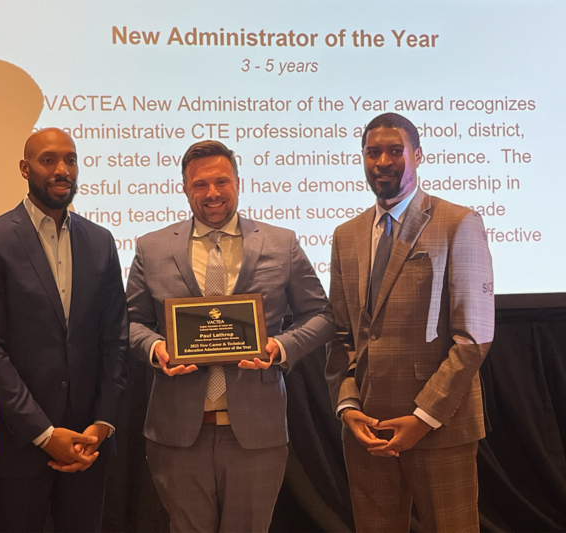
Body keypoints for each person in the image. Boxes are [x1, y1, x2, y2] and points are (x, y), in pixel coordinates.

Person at [126, 140, 334, 533]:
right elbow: (129, 322)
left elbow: (321, 315)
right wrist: (155, 349)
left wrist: (280, 347)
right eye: (200, 185)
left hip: (256, 429)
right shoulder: (151, 247)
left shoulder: (281, 242)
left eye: (222, 181)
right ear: (185, 189)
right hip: (178, 431)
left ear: (238, 182)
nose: (213, 194)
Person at [326, 112, 494, 532]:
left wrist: (423, 417)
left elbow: (473, 337)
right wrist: (348, 405)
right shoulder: (346, 235)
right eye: (372, 152)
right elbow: (340, 335)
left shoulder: (458, 222)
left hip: (440, 427)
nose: (382, 160)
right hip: (368, 430)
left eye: (394, 150)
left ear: (417, 155)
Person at [0, 127, 128, 532]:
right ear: (25, 168)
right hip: (20, 446)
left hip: (89, 445)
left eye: (70, 160)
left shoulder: (101, 241)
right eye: (48, 160)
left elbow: (115, 339)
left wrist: (102, 425)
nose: (62, 170)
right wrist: (42, 432)